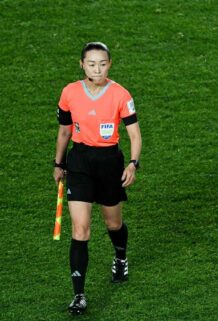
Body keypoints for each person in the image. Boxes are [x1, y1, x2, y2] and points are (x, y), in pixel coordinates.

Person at [53, 42, 142, 315]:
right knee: (80, 230)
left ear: (110, 64)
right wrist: (58, 163)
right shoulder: (69, 93)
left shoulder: (120, 94)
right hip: (79, 163)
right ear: (82, 64)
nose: (97, 69)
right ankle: (78, 295)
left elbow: (135, 135)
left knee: (113, 223)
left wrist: (132, 164)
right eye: (91, 64)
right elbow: (64, 132)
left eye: (102, 63)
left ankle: (120, 257)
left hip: (109, 163)